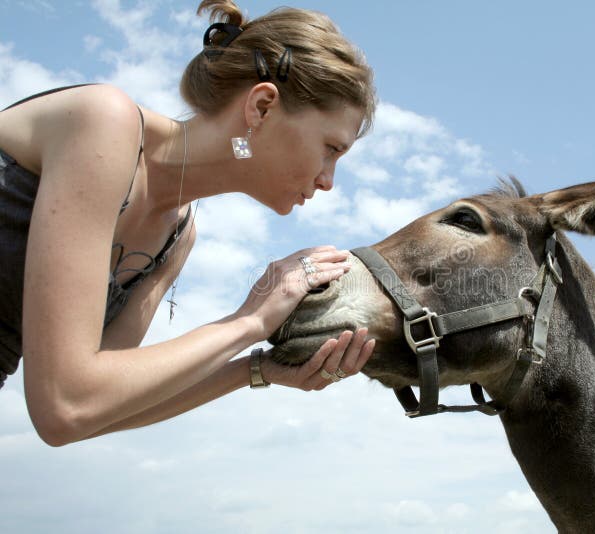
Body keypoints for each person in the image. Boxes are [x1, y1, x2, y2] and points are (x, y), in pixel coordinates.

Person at [0, 0, 377, 446]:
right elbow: (66, 401)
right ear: (261, 107)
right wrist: (251, 321)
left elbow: (89, 413)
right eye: (331, 148)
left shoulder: (177, 237)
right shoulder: (103, 122)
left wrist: (255, 368)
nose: (328, 181)